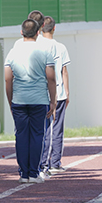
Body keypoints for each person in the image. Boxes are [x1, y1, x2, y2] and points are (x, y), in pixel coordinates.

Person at [4, 19, 57, 183]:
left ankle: (23, 174)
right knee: (37, 136)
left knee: (21, 136)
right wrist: (53, 101)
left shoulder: (13, 52)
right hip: (39, 100)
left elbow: (7, 79)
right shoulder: (44, 52)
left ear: (21, 32)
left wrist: (10, 101)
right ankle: (34, 173)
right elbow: (51, 78)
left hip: (19, 100)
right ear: (38, 32)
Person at [39, 15, 71, 175]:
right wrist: (67, 92)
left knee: (44, 129)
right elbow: (64, 71)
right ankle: (55, 163)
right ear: (54, 28)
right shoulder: (60, 47)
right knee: (57, 129)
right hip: (59, 92)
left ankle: (42, 163)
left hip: (43, 93)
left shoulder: (38, 45)